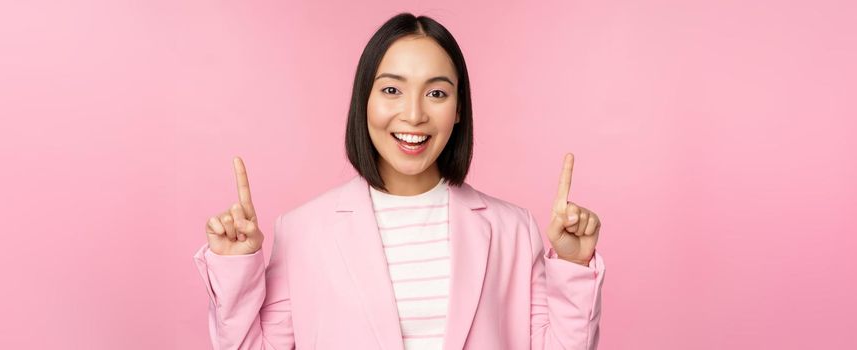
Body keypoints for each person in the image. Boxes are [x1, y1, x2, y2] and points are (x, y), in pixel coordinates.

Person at [194, 12, 606, 350]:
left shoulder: (513, 230)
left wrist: (572, 266)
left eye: (437, 94)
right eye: (392, 89)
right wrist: (237, 267)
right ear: (365, 101)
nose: (413, 115)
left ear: (459, 109)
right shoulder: (302, 230)